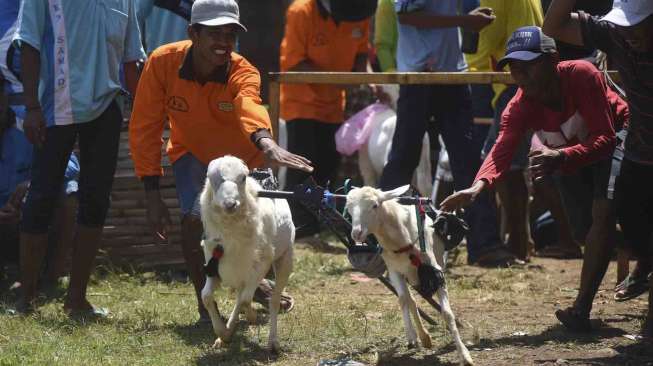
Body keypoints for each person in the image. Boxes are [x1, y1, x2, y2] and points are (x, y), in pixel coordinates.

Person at [129, 0, 312, 323]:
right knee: (193, 221)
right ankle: (207, 308)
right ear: (193, 33)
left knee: (254, 230)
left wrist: (267, 143)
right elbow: (145, 126)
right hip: (193, 154)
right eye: (214, 33)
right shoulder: (161, 63)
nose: (223, 43)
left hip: (246, 159)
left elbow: (249, 105)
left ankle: (252, 284)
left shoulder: (242, 71)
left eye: (230, 34)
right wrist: (151, 192)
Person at [441, 26, 629, 332]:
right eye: (514, 67)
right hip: (570, 157)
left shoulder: (582, 74)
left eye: (528, 65)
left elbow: (606, 138)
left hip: (619, 141)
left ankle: (580, 311)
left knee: (603, 214)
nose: (520, 74)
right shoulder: (518, 106)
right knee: (586, 233)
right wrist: (478, 187)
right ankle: (638, 248)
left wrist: (562, 157)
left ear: (552, 58)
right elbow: (501, 150)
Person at [12, 0, 145, 315]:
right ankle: (26, 298)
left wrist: (143, 112)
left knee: (96, 199)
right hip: (56, 106)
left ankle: (76, 300)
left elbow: (131, 59)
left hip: (107, 107)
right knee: (42, 195)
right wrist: (31, 107)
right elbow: (28, 43)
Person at [543, 0, 653, 334]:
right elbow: (553, 27)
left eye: (638, 25)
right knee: (632, 230)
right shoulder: (615, 35)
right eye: (626, 25)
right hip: (639, 152)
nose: (630, 33)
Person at [378, 0, 515, 266]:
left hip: (453, 73)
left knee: (468, 160)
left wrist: (469, 19)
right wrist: (466, 21)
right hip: (418, 76)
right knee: (403, 159)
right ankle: (380, 242)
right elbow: (407, 17)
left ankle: (484, 244)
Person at [280, 0, 375, 238]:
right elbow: (294, 63)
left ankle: (317, 224)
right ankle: (298, 226)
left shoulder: (360, 12)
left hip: (333, 106)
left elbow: (361, 54)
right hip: (301, 102)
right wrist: (338, 80)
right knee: (302, 168)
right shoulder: (301, 12)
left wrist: (363, 79)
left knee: (327, 167)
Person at [465, 0, 544, 261]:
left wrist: (463, 31)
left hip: (515, 84)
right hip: (529, 81)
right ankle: (521, 241)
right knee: (513, 168)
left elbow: (480, 48)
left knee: (500, 164)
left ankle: (517, 244)